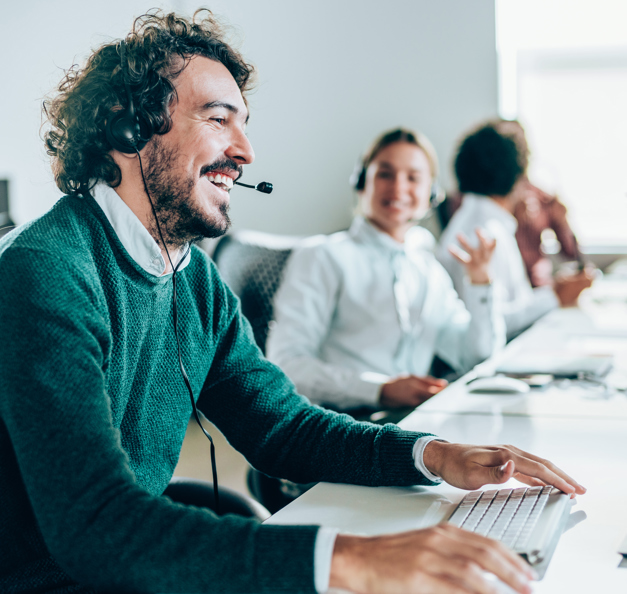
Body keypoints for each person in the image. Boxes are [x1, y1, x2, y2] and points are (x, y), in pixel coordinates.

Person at [0, 11, 585, 594]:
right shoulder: (45, 271)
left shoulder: (192, 278)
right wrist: (346, 560)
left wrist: (431, 455)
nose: (246, 150)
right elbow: (94, 524)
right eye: (218, 118)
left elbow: (281, 426)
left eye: (245, 124)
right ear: (127, 129)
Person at [266, 128, 505, 412]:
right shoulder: (323, 256)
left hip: (409, 423)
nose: (398, 188)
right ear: (361, 182)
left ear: (431, 193)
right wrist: (379, 390)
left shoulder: (427, 268)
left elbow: (474, 356)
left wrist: (481, 284)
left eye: (413, 178)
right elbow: (287, 366)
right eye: (385, 174)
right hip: (338, 425)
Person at [436, 122, 594, 340]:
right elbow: (494, 323)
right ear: (520, 175)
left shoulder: (475, 221)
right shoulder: (485, 233)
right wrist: (555, 296)